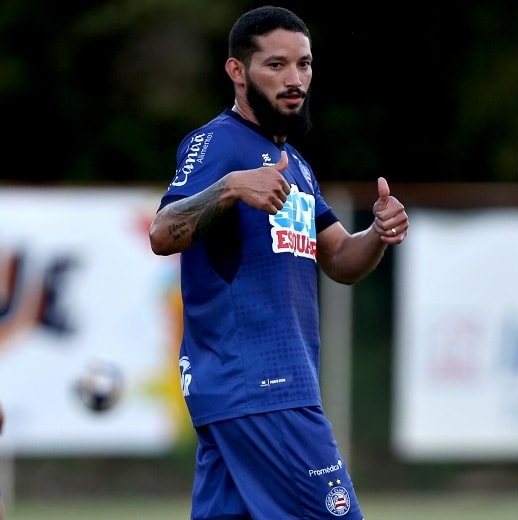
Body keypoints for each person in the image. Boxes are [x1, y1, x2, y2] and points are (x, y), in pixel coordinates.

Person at [149, 6, 408, 519]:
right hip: (263, 387)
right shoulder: (218, 143)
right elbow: (162, 233)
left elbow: (339, 258)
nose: (295, 80)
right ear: (237, 71)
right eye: (276, 65)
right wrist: (229, 188)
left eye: (304, 65)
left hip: (249, 395)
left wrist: (377, 234)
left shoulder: (298, 168)